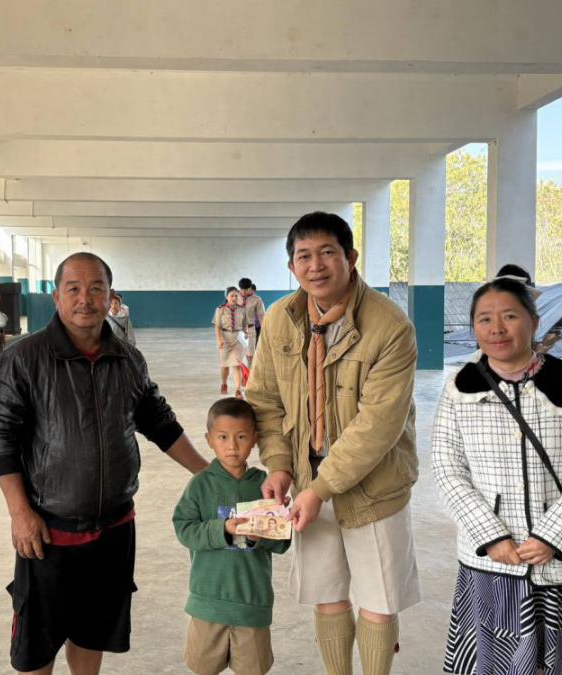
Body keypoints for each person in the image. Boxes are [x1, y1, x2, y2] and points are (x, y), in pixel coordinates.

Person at [0, 251, 208, 675]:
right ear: (56, 297)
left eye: (95, 289)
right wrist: (19, 512)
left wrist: (209, 474)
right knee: (37, 647)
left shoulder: (128, 359)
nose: (84, 299)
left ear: (110, 296)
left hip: (114, 527)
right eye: (73, 289)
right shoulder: (25, 357)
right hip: (48, 529)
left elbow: (159, 422)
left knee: (92, 634)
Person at [245, 212, 420, 675]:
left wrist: (320, 489)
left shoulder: (390, 325)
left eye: (327, 253)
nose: (315, 266)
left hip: (374, 486)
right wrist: (279, 466)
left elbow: (378, 425)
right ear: (292, 266)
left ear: (350, 257)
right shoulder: (280, 319)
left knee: (378, 599)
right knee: (327, 594)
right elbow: (264, 400)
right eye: (304, 256)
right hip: (306, 479)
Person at [432, 275, 562, 674]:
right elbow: (447, 468)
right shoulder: (459, 388)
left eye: (510, 316)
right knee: (495, 663)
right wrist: (490, 536)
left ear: (534, 321)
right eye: (484, 319)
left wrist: (553, 536)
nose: (496, 328)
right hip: (492, 564)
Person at [173, 398, 290, 675]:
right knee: (203, 668)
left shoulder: (264, 485)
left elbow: (283, 542)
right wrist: (222, 529)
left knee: (252, 669)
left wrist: (260, 535)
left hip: (252, 603)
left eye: (241, 437)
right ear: (209, 440)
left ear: (255, 439)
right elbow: (184, 530)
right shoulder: (200, 485)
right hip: (208, 603)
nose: (232, 446)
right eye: (223, 437)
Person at [214, 287, 246, 398]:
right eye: (232, 296)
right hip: (225, 339)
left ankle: (238, 390)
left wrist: (246, 335)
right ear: (227, 297)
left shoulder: (242, 309)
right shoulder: (220, 309)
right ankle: (224, 383)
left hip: (237, 339)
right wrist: (219, 339)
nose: (234, 298)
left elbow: (245, 324)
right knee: (225, 365)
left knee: (236, 365)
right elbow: (217, 326)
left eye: (236, 296)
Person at [238, 278, 266, 368]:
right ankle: (239, 375)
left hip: (250, 329)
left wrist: (265, 331)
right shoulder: (235, 297)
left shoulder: (257, 299)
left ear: (250, 288)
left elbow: (261, 316)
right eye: (242, 289)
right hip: (236, 330)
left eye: (246, 290)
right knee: (236, 356)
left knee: (250, 356)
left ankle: (250, 374)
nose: (244, 292)